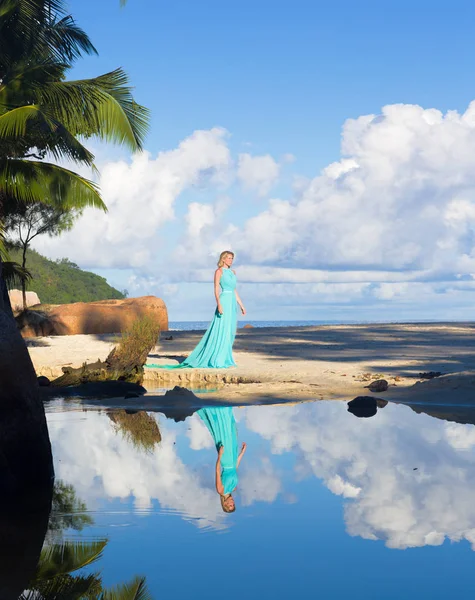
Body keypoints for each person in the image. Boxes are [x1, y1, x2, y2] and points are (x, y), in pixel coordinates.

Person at [146, 250, 246, 369]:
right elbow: (216, 289)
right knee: (221, 329)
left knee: (229, 331)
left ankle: (225, 357)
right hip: (224, 300)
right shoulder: (219, 272)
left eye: (232, 258)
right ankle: (217, 358)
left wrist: (241, 305)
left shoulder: (233, 272)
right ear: (223, 259)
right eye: (229, 258)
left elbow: (234, 290)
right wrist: (219, 304)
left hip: (232, 303)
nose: (231, 260)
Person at [197, 406, 246, 513]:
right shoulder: (233, 488)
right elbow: (234, 468)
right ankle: (226, 410)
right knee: (230, 432)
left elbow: (218, 471)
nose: (232, 502)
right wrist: (242, 453)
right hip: (232, 458)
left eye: (229, 505)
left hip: (225, 459)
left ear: (224, 504)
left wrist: (219, 455)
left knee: (224, 434)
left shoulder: (221, 490)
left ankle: (218, 410)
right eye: (233, 504)